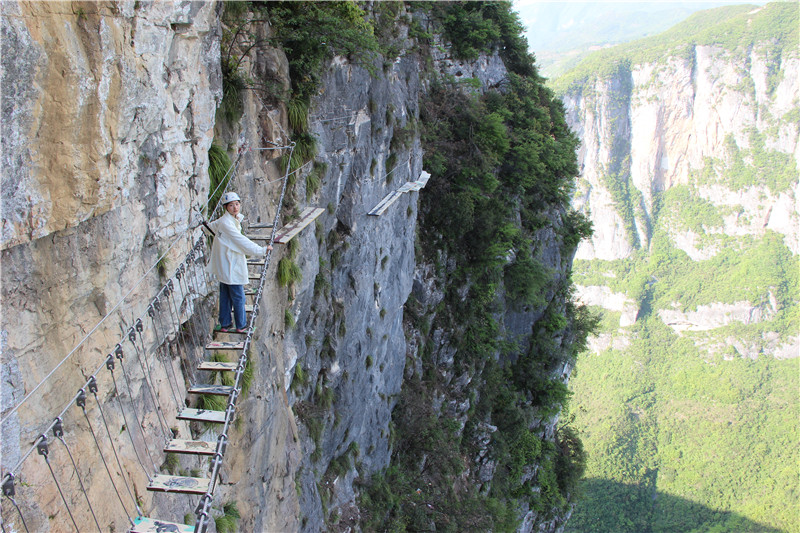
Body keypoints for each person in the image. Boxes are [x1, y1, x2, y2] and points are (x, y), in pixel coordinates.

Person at [206, 192, 271, 333]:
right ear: (226, 207)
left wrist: (206, 228)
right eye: (231, 205)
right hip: (231, 266)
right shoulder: (227, 224)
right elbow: (241, 241)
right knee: (239, 297)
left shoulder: (226, 221)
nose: (235, 207)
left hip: (224, 266)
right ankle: (241, 326)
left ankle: (225, 324)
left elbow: (209, 228)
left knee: (225, 296)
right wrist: (262, 250)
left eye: (237, 204)